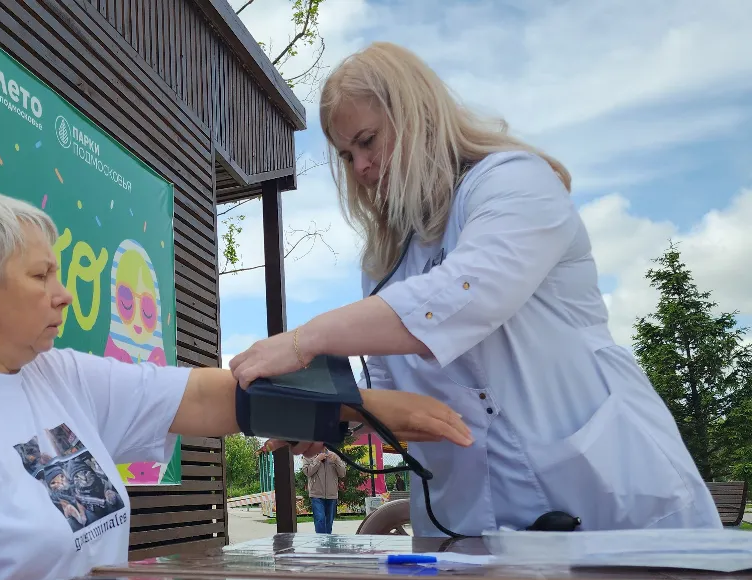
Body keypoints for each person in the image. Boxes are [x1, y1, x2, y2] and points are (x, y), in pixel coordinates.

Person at [0, 187, 473, 580]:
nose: (62, 296)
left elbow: (207, 398)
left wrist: (358, 408)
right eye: (41, 277)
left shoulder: (59, 376)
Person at [229, 42, 722, 536]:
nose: (359, 166)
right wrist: (331, 419)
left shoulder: (514, 183)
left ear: (420, 116)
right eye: (346, 154)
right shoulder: (384, 260)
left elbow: (464, 296)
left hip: (608, 504)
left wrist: (304, 340)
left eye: (369, 140)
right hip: (466, 524)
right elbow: (396, 401)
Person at [302, 449, 347, 533]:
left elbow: (342, 473)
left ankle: (327, 541)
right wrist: (317, 459)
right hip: (316, 494)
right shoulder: (308, 455)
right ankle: (321, 542)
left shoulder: (334, 455)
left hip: (332, 494)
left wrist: (337, 460)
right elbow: (307, 472)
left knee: (329, 522)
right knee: (320, 519)